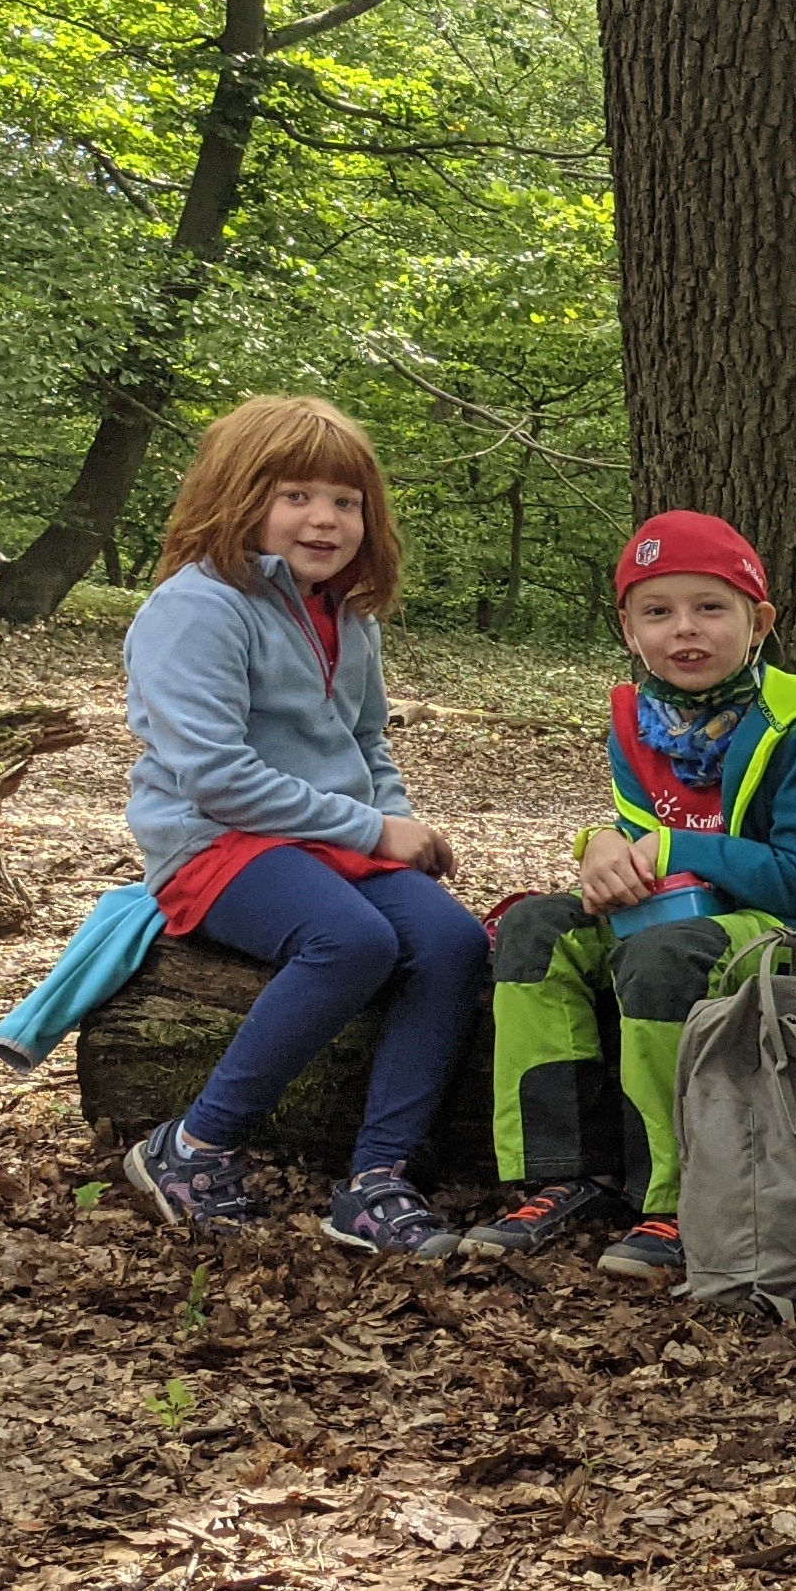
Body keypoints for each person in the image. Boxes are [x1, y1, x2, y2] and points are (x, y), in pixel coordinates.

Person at [115, 396, 489, 1256]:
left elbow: (366, 743)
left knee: (451, 941)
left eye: (346, 501)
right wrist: (371, 832)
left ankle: (377, 1181)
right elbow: (213, 775)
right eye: (295, 496)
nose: (324, 518)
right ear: (238, 499)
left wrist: (393, 820)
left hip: (330, 838)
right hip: (213, 841)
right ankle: (195, 1146)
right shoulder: (197, 608)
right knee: (350, 941)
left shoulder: (346, 615)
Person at [464, 515, 796, 1281]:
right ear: (629, 628)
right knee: (538, 930)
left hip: (790, 929)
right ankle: (561, 1173)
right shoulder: (637, 719)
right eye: (658, 612)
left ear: (758, 622)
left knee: (661, 958)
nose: (685, 631)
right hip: (678, 910)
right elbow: (635, 833)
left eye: (711, 608)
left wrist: (675, 850)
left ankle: (675, 1197)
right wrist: (599, 848)